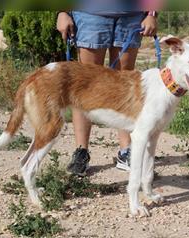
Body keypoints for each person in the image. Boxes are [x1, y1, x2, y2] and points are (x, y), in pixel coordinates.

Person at [56, 11, 158, 176]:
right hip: (90, 14)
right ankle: (81, 151)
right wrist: (63, 12)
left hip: (131, 14)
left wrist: (152, 13)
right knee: (84, 86)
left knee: (125, 85)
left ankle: (126, 151)